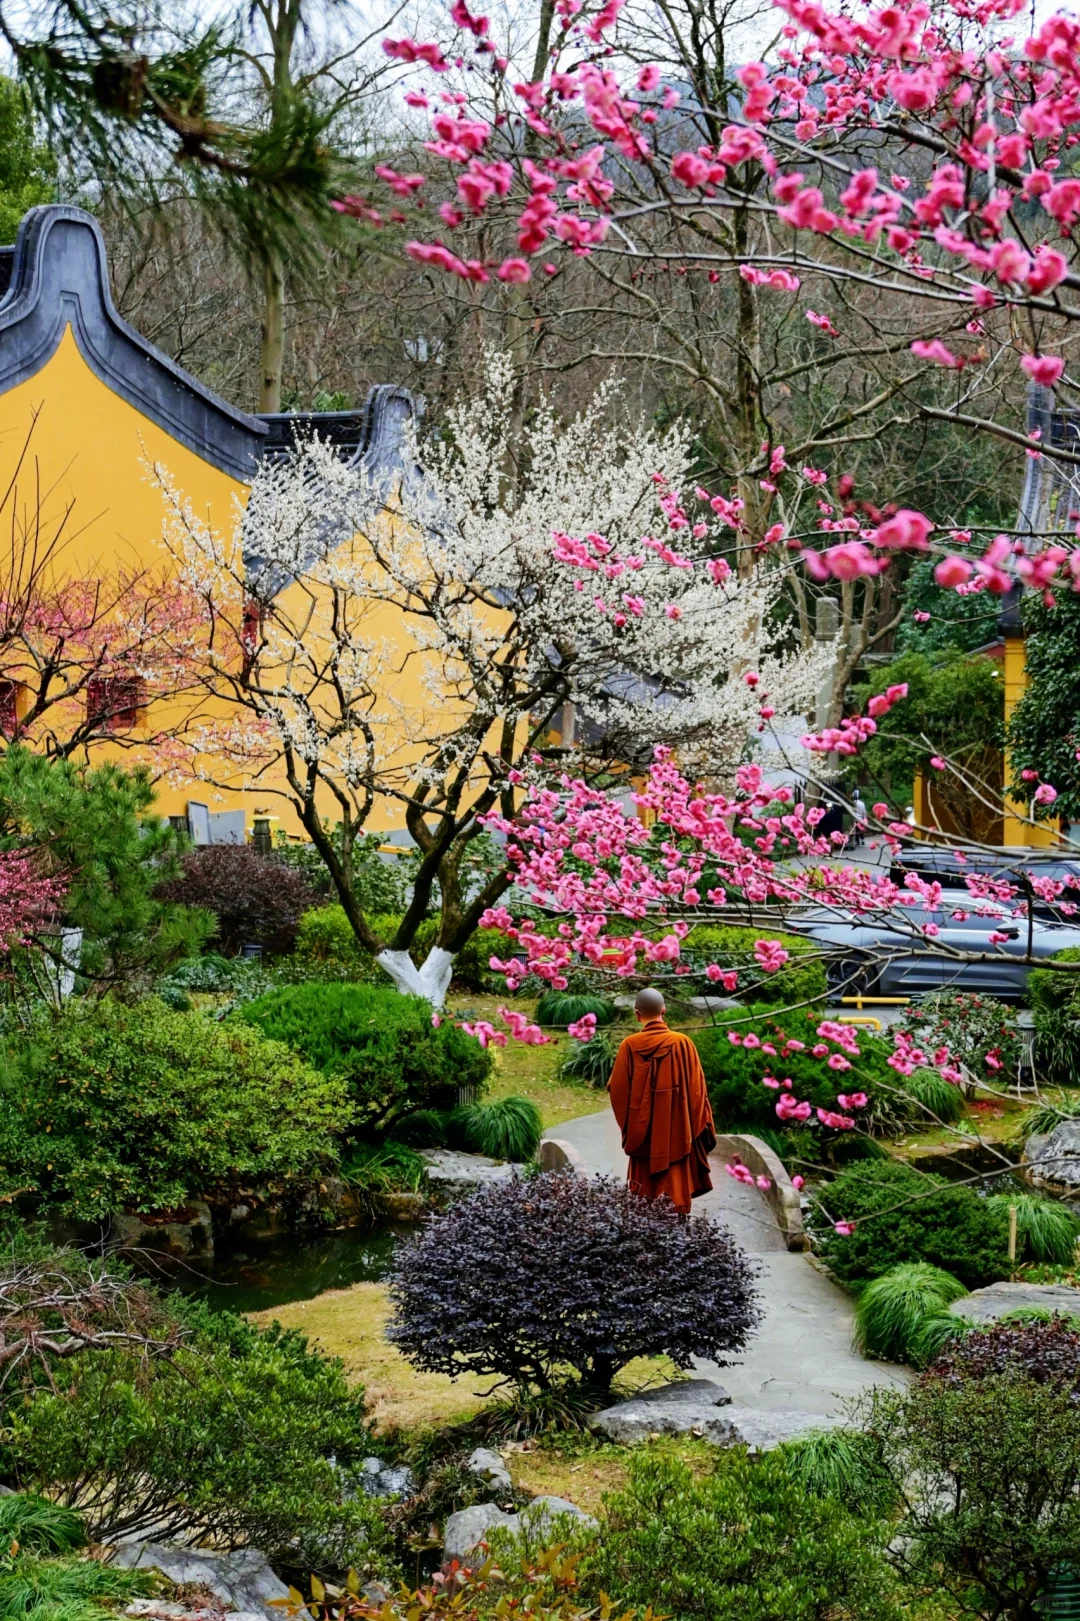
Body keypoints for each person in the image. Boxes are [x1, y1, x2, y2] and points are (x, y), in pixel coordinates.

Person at [607, 987, 717, 1214]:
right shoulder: (683, 1043)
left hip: (642, 1140)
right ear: (664, 1010)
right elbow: (697, 1093)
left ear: (637, 1014)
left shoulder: (629, 1046)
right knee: (675, 1198)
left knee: (642, 1206)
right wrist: (691, 1126)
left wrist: (633, 1125)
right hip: (677, 1137)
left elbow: (617, 1091)